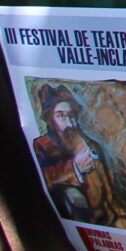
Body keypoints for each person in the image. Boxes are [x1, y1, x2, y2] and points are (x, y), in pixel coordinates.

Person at [31, 86, 114, 225]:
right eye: (61, 115)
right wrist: (75, 168)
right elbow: (45, 177)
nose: (69, 123)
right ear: (51, 119)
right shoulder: (43, 145)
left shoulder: (91, 144)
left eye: (71, 115)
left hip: (106, 216)